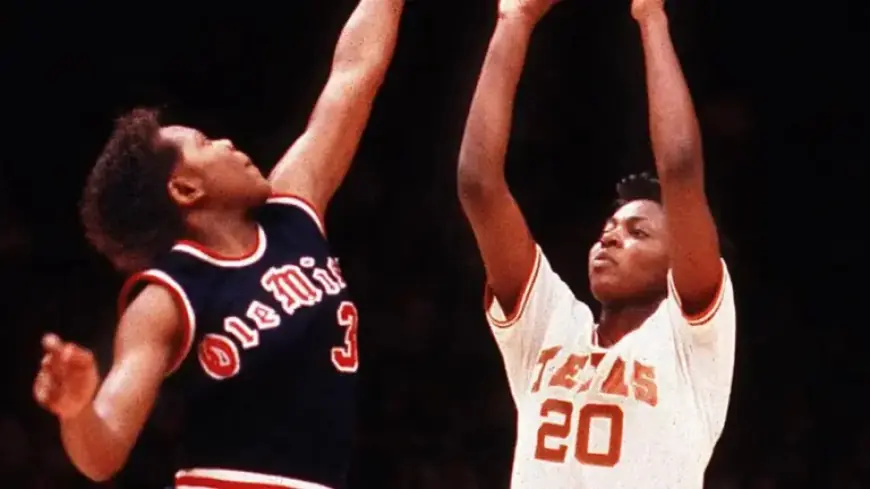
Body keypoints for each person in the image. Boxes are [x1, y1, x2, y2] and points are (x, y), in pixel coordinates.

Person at [32, 1, 405, 488]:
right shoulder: (168, 297)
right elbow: (103, 453)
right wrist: (77, 411)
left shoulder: (293, 209)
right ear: (186, 189)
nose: (227, 143)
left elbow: (353, 74)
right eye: (205, 144)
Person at [456, 0, 735, 488]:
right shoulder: (550, 325)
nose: (609, 236)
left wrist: (650, 16)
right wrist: (514, 21)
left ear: (678, 262)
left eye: (637, 232)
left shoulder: (691, 341)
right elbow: (479, 184)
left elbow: (680, 169)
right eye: (609, 227)